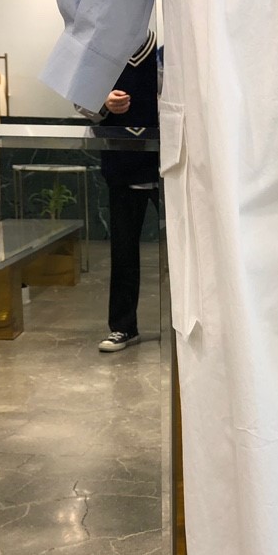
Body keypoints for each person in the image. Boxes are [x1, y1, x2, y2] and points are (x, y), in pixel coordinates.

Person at [96, 29, 159, 352]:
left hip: (170, 162)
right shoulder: (102, 47)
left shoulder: (167, 46)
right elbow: (81, 99)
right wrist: (104, 103)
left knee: (190, 248)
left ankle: (199, 325)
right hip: (122, 162)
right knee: (123, 251)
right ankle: (123, 326)